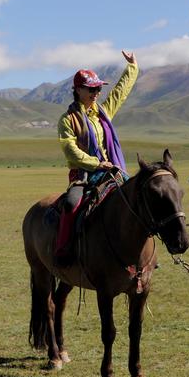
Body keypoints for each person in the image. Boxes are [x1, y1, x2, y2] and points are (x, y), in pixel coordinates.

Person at [55, 51, 138, 264]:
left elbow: (120, 93)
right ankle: (64, 248)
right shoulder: (67, 120)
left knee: (135, 198)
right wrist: (97, 163)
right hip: (83, 175)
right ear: (78, 90)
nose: (97, 93)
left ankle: (140, 253)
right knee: (71, 204)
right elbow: (70, 150)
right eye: (92, 89)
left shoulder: (102, 113)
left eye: (99, 88)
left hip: (110, 170)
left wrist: (132, 68)